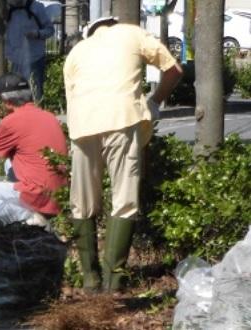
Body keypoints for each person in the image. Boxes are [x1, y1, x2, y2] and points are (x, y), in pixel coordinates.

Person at [63, 17, 183, 292]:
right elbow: (173, 69)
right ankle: (113, 281)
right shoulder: (133, 33)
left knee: (82, 203)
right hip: (122, 118)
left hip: (82, 125)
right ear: (113, 24)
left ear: (90, 31)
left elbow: (72, 98)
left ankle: (90, 280)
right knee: (124, 200)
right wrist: (154, 101)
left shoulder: (76, 52)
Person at [0, 73, 68, 222]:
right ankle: (34, 210)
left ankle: (26, 217)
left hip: (36, 196)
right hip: (59, 196)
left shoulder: (10, 122)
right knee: (9, 163)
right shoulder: (50, 116)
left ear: (6, 101)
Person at [5, 0, 54, 101]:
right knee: (16, 94)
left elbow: (50, 30)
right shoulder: (7, 9)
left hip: (35, 58)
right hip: (15, 60)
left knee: (35, 93)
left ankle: (36, 114)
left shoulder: (37, 7)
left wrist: (37, 33)